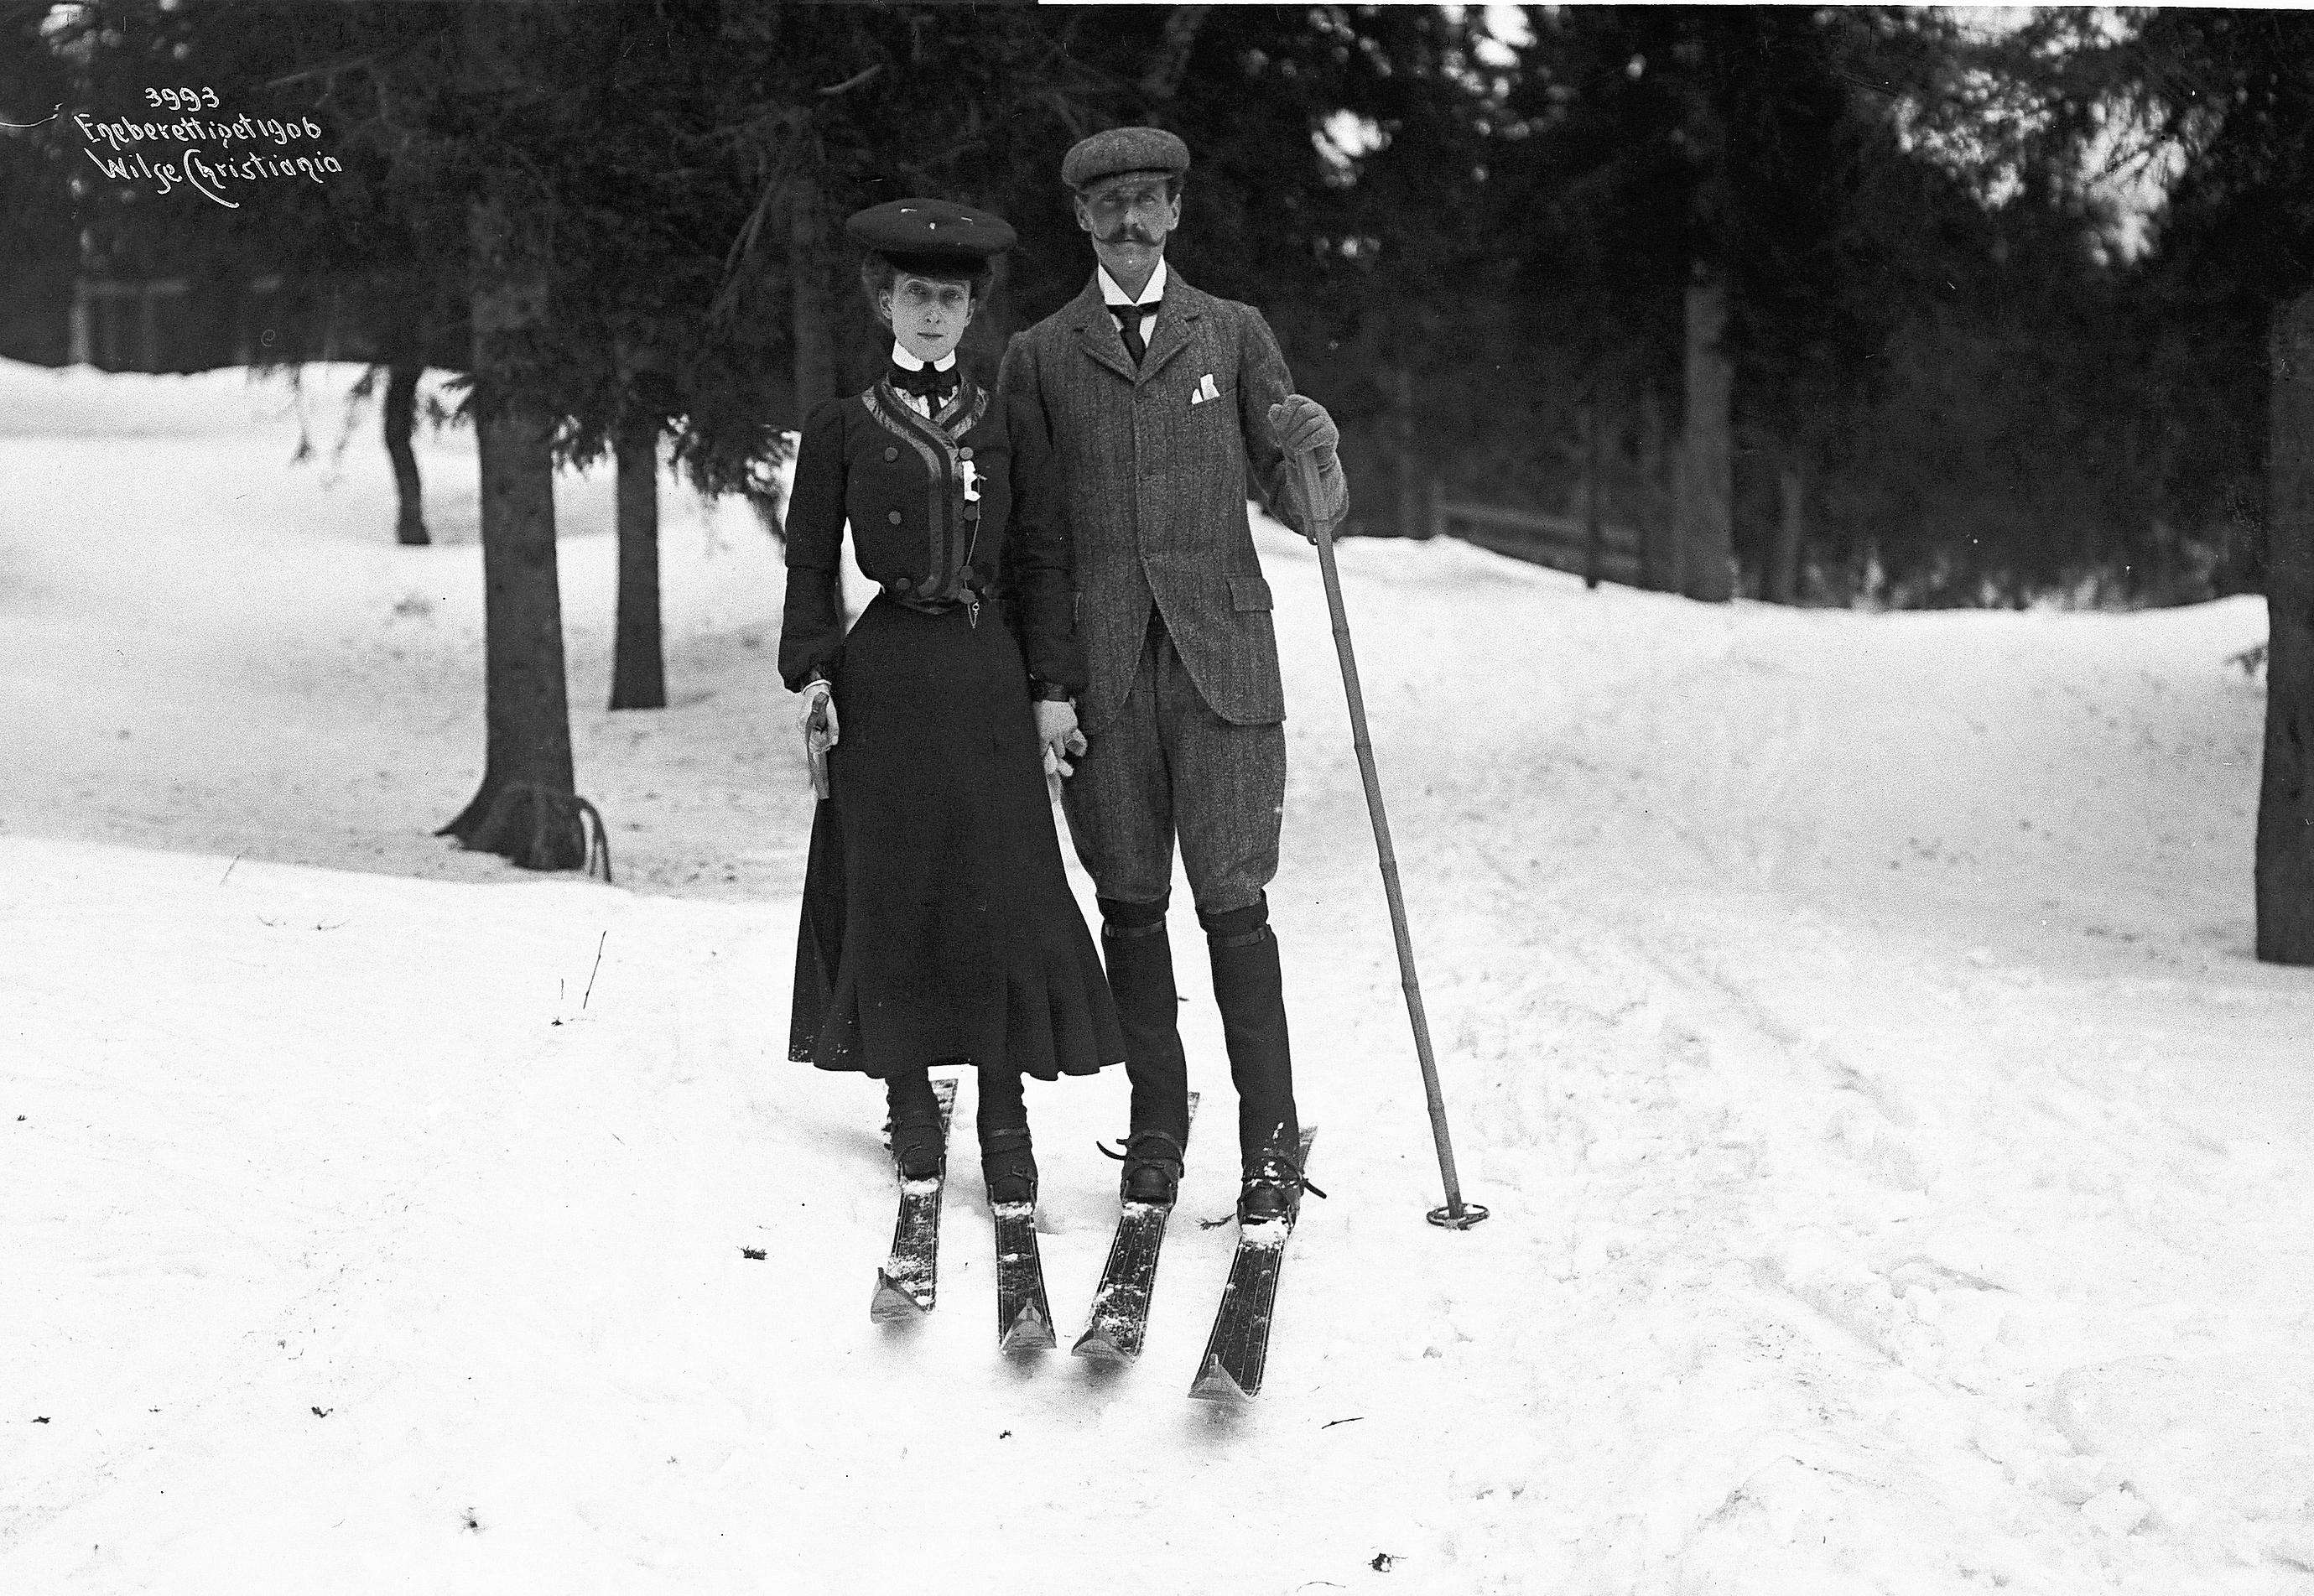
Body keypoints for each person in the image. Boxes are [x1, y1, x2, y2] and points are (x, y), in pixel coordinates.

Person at [998, 127, 1346, 1225]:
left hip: (1222, 665)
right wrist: (1043, 681)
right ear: (1081, 220)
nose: (1132, 222)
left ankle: (1269, 1142)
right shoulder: (1039, 355)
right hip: (1101, 672)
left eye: (1149, 201)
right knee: (1130, 903)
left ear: (1176, 212)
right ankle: (1156, 1131)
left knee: (1235, 901)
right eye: (1111, 206)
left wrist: (1316, 449)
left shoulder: (1232, 334)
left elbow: (1311, 512)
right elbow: (1028, 543)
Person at [782, 197, 1124, 1207]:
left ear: (973, 312)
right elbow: (809, 563)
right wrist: (815, 676)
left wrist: (1051, 689)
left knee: (1001, 883)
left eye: (950, 298)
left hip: (983, 668)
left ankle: (1004, 1113)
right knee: (893, 882)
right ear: (884, 303)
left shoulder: (1005, 416)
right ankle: (907, 1100)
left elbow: (1038, 555)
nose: (931, 314)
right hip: (885, 675)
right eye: (912, 295)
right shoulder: (844, 424)